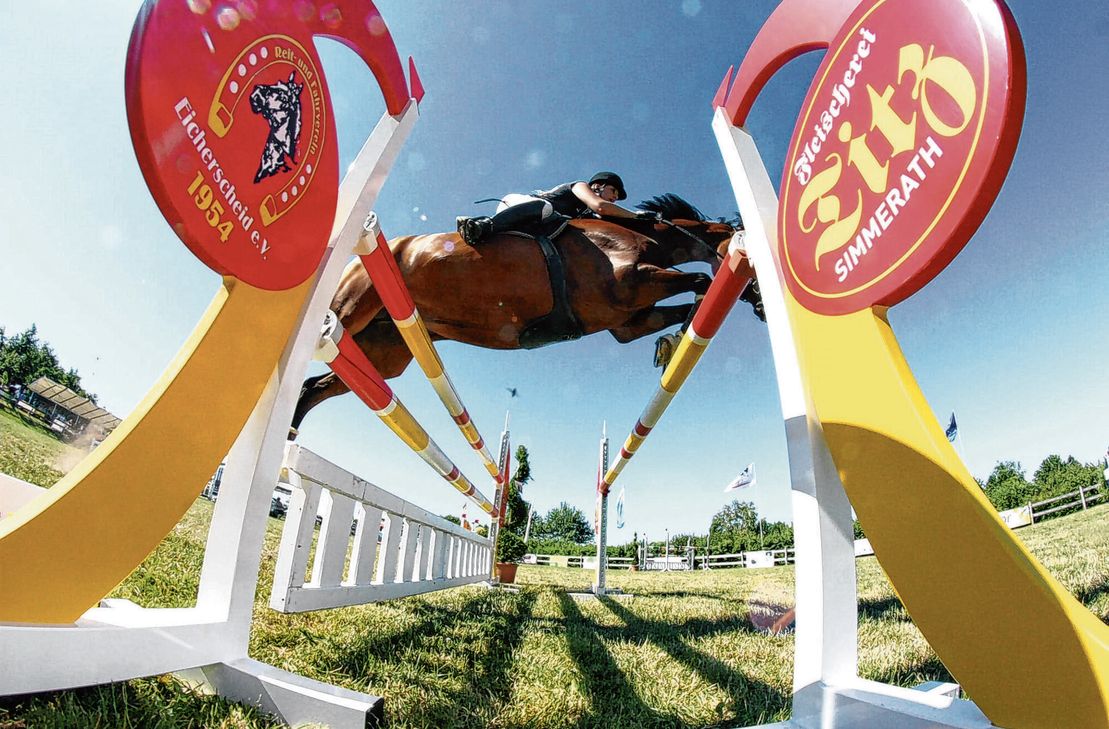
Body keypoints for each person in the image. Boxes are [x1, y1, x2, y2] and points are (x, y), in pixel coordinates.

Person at [455, 171, 660, 246]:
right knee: (546, 208)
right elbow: (601, 207)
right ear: (598, 185)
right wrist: (637, 215)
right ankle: (482, 226)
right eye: (613, 191)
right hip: (520, 206)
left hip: (540, 228)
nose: (615, 197)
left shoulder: (587, 214)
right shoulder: (581, 186)